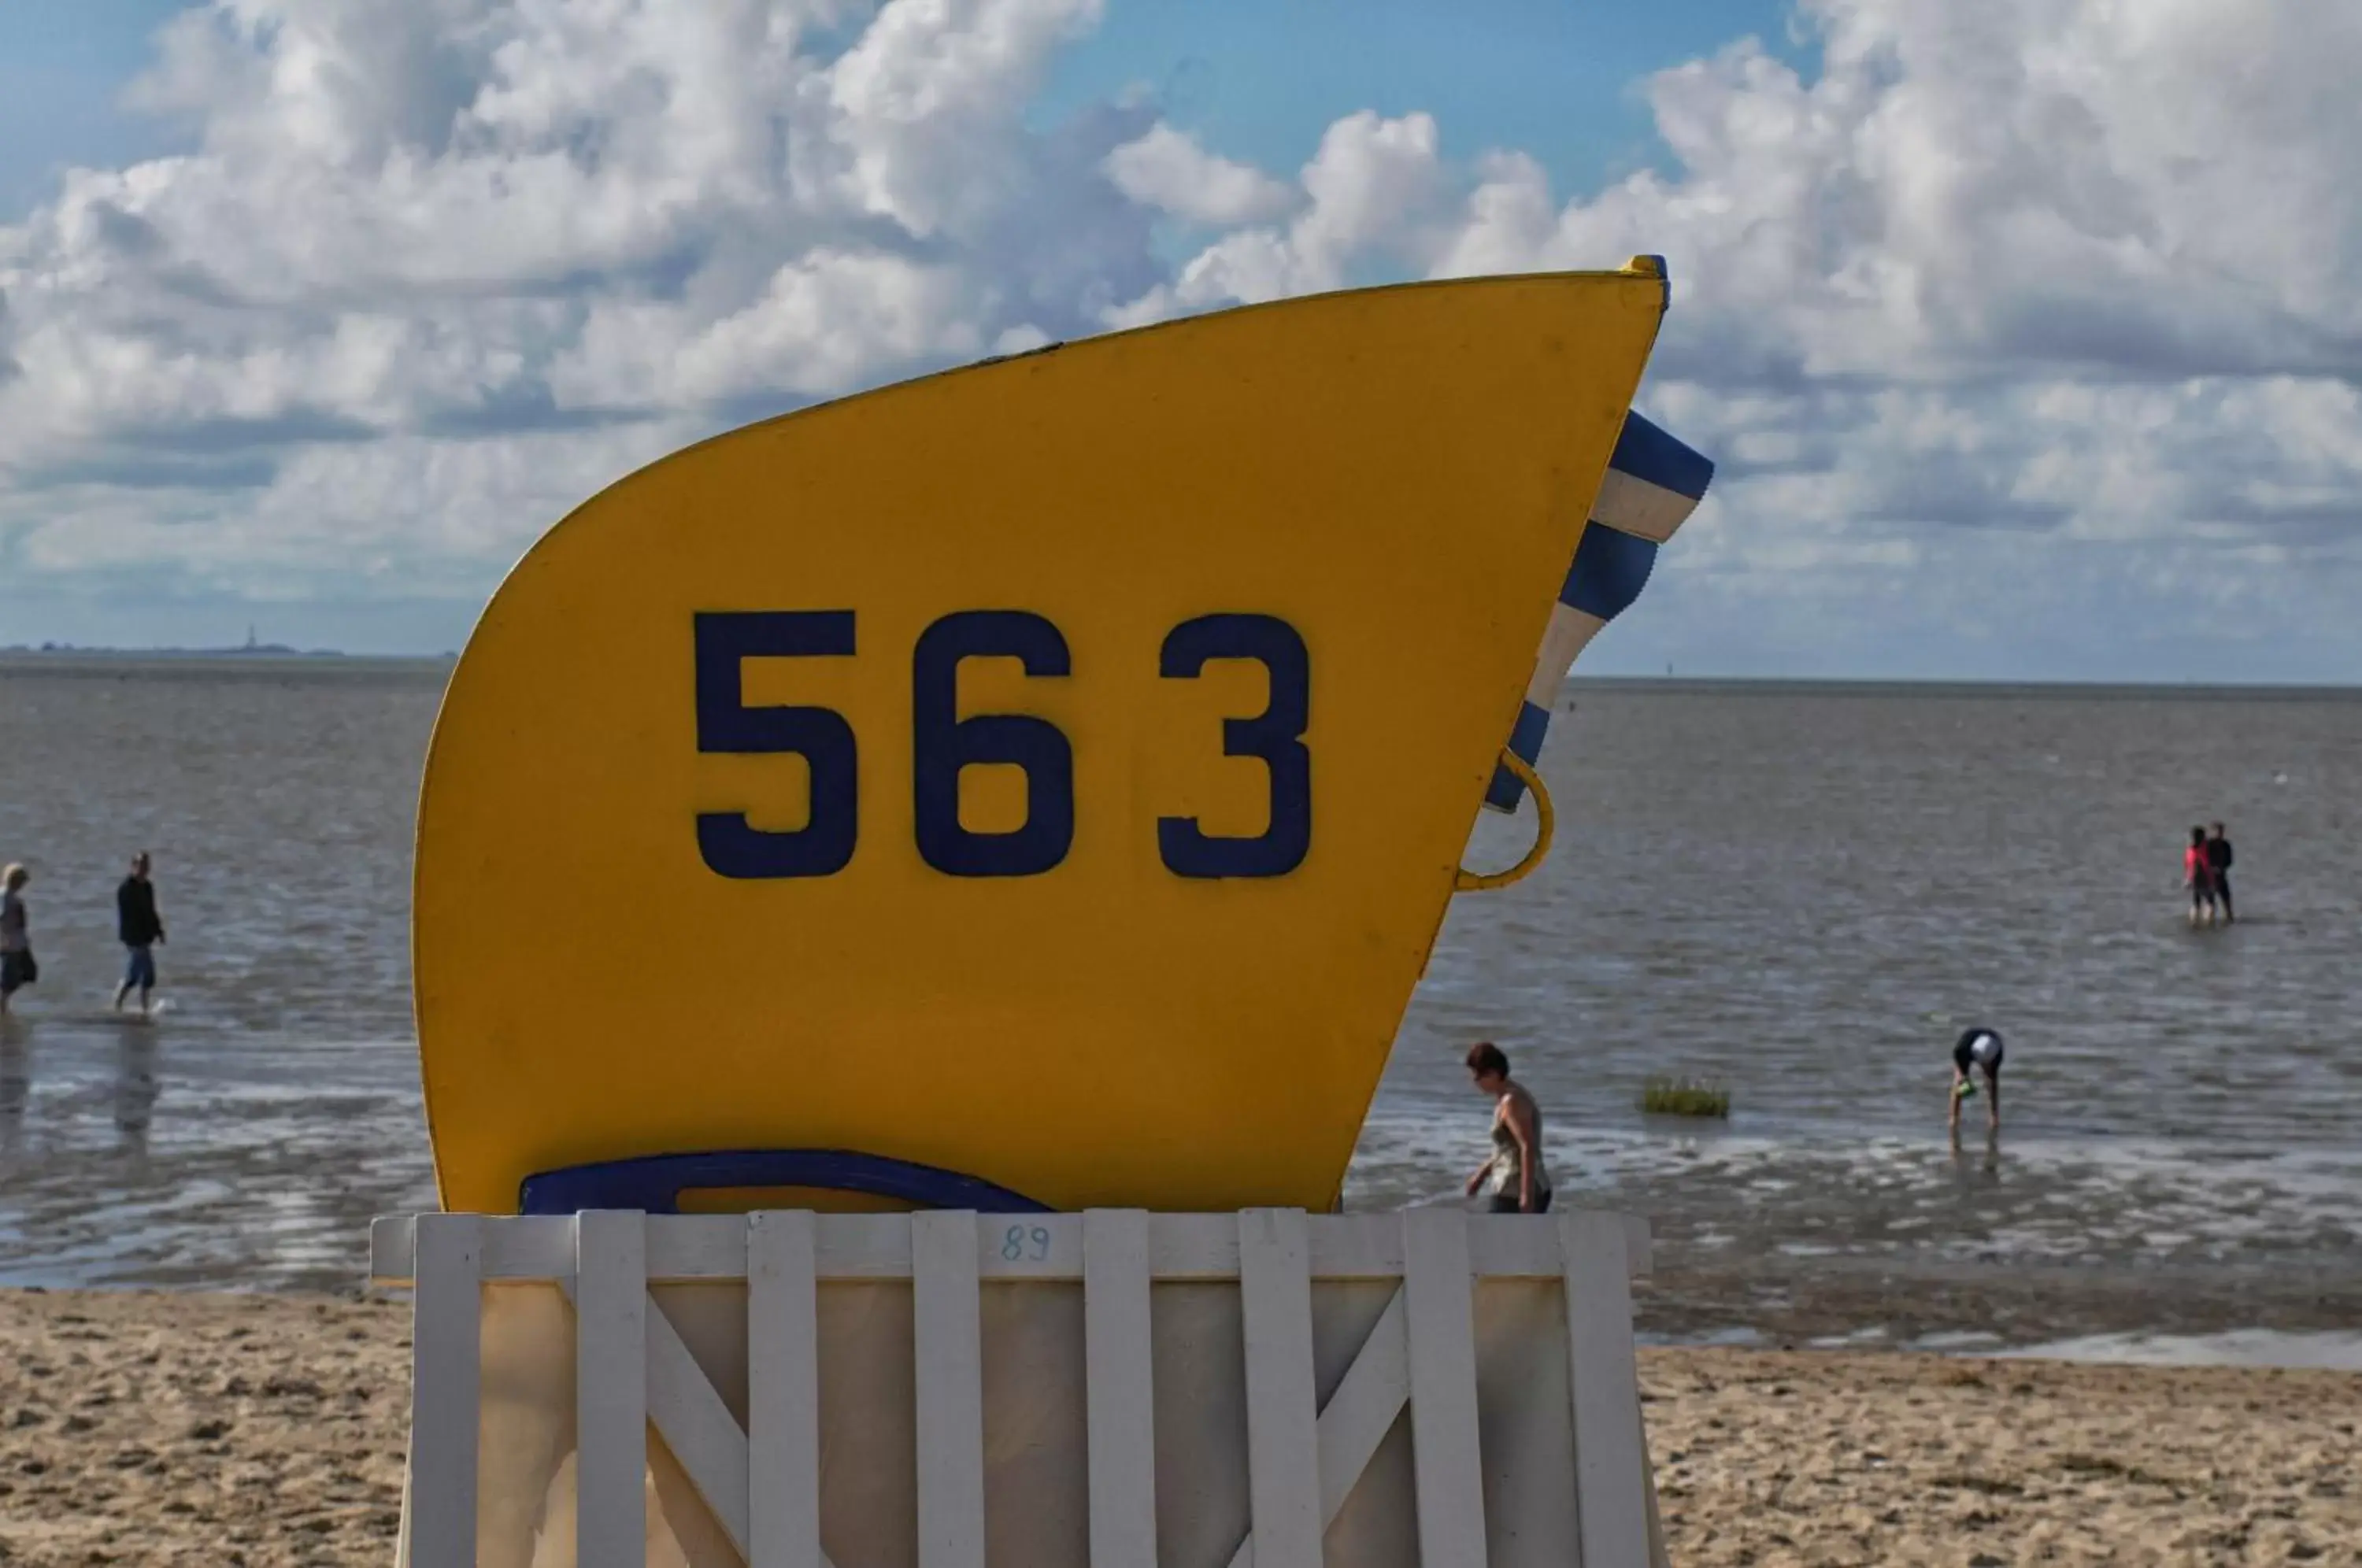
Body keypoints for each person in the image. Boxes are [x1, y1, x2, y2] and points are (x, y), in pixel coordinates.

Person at [1461, 1041, 1552, 1213]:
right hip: (1513, 1185)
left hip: (1514, 1190)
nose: (1475, 1082)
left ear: (1493, 1073)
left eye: (1477, 1076)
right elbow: (1508, 1147)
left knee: (1496, 1239)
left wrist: (1526, 1196)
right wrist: (1481, 1174)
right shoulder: (1508, 1096)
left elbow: (1527, 1146)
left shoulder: (1512, 1102)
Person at [114, 852, 167, 1016]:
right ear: (134, 866)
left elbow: (152, 911)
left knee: (137, 976)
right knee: (146, 972)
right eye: (141, 865)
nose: (144, 869)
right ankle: (137, 1007)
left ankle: (124, 1005)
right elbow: (127, 917)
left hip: (146, 937)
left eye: (146, 866)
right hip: (133, 937)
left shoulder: (148, 887)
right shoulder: (126, 889)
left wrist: (159, 931)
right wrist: (136, 937)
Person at [1949, 1026, 2003, 1141]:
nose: (1984, 1067)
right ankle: (1954, 1118)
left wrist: (1994, 1118)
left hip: (1990, 1043)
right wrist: (1965, 1081)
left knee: (1991, 1080)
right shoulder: (1962, 1050)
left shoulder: (1998, 1050)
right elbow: (1961, 1082)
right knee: (1960, 1081)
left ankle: (1994, 1117)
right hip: (1967, 1046)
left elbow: (1993, 1083)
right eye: (1984, 1065)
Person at [0, 864, 33, 1016]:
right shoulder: (7, 898)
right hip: (10, 945)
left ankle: (4, 1004)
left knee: (29, 974)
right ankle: (3, 1006)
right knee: (11, 979)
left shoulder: (12, 898)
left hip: (18, 944)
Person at [2183, 825, 2218, 927]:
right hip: (2203, 877)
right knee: (2210, 901)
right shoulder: (2203, 849)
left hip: (2193, 877)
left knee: (2196, 901)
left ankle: (2193, 921)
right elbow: (2206, 865)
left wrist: (2187, 879)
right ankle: (2209, 922)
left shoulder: (2190, 848)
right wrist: (2212, 881)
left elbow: (2188, 864)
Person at [2205, 822, 2234, 924]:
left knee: (2227, 901)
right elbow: (2203, 860)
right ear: (2212, 832)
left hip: (2221, 876)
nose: (2220, 834)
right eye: (2218, 832)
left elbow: (2229, 861)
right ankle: (2208, 922)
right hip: (2209, 878)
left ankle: (2229, 921)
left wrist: (2222, 867)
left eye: (2221, 832)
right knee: (2211, 904)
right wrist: (2212, 868)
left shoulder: (2226, 845)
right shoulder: (2207, 845)